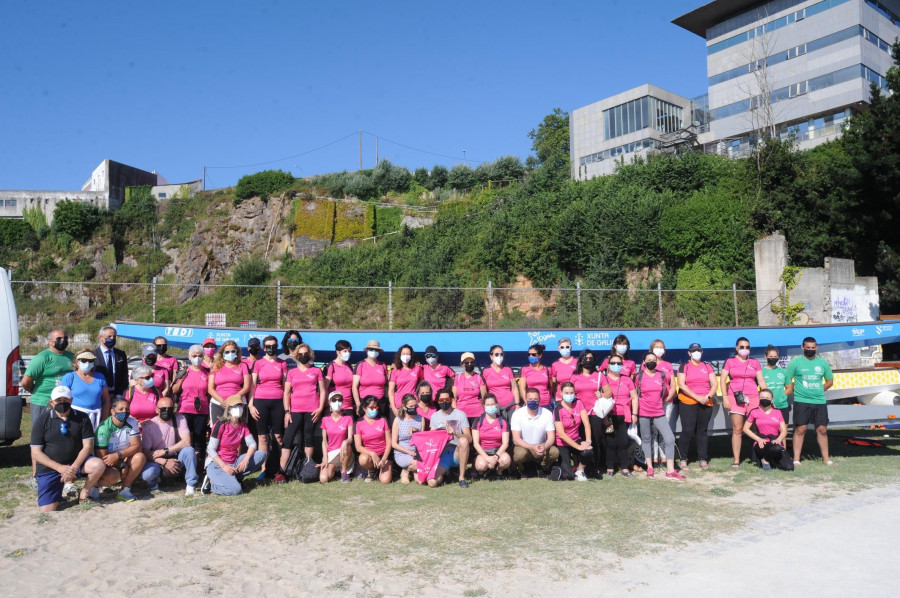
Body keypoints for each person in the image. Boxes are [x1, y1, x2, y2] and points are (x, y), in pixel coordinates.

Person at [30, 386, 106, 511]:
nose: (62, 402)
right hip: (50, 467)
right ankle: (57, 493)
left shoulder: (82, 417)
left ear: (71, 400)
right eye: (58, 400)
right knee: (47, 510)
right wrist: (60, 468)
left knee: (98, 465)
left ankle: (84, 494)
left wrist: (73, 468)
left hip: (75, 463)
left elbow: (88, 447)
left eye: (66, 399)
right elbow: (36, 453)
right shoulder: (42, 420)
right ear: (52, 402)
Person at [22, 328, 73, 486]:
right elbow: (26, 381)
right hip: (43, 402)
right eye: (59, 338)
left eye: (65, 337)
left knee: (62, 435)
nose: (62, 341)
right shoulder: (42, 357)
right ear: (50, 341)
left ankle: (62, 471)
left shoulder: (71, 357)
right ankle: (36, 475)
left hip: (64, 403)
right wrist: (40, 394)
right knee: (39, 438)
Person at [785, 337, 835, 466]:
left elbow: (830, 381)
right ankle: (796, 459)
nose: (810, 350)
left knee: (822, 430)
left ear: (816, 347)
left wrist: (819, 390)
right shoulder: (795, 362)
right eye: (807, 348)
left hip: (819, 401)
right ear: (802, 347)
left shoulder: (823, 363)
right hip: (801, 401)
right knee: (800, 429)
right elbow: (787, 380)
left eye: (813, 348)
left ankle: (826, 459)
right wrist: (793, 389)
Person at [280, 343, 326, 482]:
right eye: (300, 354)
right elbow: (286, 393)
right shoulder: (292, 372)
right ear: (296, 356)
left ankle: (307, 468)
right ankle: (281, 471)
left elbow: (323, 391)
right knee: (287, 439)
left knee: (308, 438)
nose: (303, 356)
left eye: (306, 353)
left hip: (312, 410)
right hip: (295, 410)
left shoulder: (317, 371)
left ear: (310, 354)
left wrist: (320, 408)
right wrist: (287, 412)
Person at [636, 352, 684, 480]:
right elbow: (635, 395)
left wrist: (660, 402)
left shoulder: (661, 375)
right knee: (646, 439)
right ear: (644, 362)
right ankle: (650, 467)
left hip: (659, 412)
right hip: (643, 412)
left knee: (669, 439)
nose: (651, 361)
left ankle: (670, 470)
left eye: (654, 359)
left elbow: (665, 392)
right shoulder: (638, 376)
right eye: (648, 360)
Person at [205, 396, 266, 495]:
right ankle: (212, 483)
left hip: (234, 462)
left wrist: (246, 459)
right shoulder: (221, 424)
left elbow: (252, 444)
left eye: (240, 405)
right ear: (229, 409)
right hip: (217, 464)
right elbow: (211, 449)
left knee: (261, 455)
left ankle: (236, 478)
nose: (239, 408)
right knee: (236, 490)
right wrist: (224, 467)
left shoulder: (243, 426)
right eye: (235, 406)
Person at [721, 337, 767, 467]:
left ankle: (760, 457)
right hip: (735, 398)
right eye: (742, 347)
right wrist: (725, 397)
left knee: (756, 427)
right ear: (736, 348)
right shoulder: (729, 362)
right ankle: (736, 460)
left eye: (747, 347)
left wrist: (767, 397)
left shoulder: (755, 363)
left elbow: (761, 381)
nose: (744, 349)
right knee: (737, 429)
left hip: (753, 397)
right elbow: (723, 380)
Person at [140, 396, 199, 495]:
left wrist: (165, 450)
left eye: (170, 409)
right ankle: (154, 485)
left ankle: (190, 485)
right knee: (148, 474)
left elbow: (187, 441)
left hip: (175, 456)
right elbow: (146, 452)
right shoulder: (149, 425)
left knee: (189, 451)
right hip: (157, 460)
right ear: (157, 410)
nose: (166, 411)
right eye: (163, 409)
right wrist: (164, 462)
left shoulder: (180, 419)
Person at [95, 396, 148, 502]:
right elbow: (102, 457)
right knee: (113, 476)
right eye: (121, 409)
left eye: (127, 409)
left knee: (140, 457)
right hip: (108, 462)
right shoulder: (104, 428)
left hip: (121, 457)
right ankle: (94, 485)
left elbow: (136, 446)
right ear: (112, 411)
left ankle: (125, 490)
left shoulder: (132, 422)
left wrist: (119, 457)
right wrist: (121, 464)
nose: (125, 411)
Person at [248, 335, 287, 479]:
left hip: (278, 403)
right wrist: (251, 406)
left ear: (277, 347)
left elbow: (285, 387)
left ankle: (280, 468)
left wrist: (286, 408)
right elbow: (252, 386)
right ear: (264, 348)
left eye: (273, 345)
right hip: (260, 402)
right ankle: (264, 469)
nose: (271, 348)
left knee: (278, 436)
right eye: (268, 346)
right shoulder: (258, 364)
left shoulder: (282, 363)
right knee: (262, 437)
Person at [677, 343, 717, 471]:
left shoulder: (707, 366)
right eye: (694, 350)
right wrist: (697, 397)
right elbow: (682, 385)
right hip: (688, 402)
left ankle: (703, 459)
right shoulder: (684, 366)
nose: (696, 352)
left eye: (699, 350)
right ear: (689, 353)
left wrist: (708, 396)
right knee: (687, 431)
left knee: (702, 432)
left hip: (706, 402)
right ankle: (683, 459)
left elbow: (714, 384)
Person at [569, 350, 606, 478]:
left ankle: (594, 469)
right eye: (585, 358)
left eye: (591, 358)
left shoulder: (599, 375)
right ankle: (581, 467)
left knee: (594, 441)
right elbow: (569, 392)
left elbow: (609, 393)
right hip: (579, 413)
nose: (588, 360)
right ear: (581, 360)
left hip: (594, 413)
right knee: (580, 440)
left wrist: (601, 394)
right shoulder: (575, 376)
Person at [601, 355, 638, 477]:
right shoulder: (604, 379)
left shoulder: (627, 380)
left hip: (625, 415)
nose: (616, 365)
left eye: (618, 363)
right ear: (608, 365)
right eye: (613, 363)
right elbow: (601, 399)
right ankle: (610, 467)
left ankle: (624, 467)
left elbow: (634, 397)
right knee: (610, 443)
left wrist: (634, 414)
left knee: (623, 442)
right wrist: (604, 416)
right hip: (610, 415)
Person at [172, 345, 210, 460]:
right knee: (185, 439)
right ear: (189, 357)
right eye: (194, 356)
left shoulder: (207, 373)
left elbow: (209, 393)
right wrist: (182, 378)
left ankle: (199, 465)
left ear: (203, 357)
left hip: (202, 410)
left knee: (200, 439)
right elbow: (174, 390)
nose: (197, 358)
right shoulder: (184, 371)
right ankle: (183, 465)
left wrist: (209, 415)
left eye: (199, 356)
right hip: (185, 409)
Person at [510, 388, 560, 475]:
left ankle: (543, 467)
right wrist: (532, 447)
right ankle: (522, 469)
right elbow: (516, 438)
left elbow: (551, 436)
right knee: (519, 455)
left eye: (535, 399)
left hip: (542, 446)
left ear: (539, 399)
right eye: (530, 399)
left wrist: (545, 446)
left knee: (555, 452)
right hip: (524, 447)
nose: (533, 401)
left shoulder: (547, 413)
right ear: (525, 399)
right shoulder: (517, 414)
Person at [429, 388, 472, 487]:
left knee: (463, 440)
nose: (444, 402)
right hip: (443, 454)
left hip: (457, 452)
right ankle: (446, 473)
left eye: (447, 400)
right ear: (438, 401)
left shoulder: (460, 414)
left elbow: (469, 438)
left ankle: (461, 478)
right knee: (432, 483)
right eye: (441, 400)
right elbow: (431, 437)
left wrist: (456, 433)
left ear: (452, 399)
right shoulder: (435, 416)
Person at [61, 347, 110, 429]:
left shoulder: (100, 377)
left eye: (90, 361)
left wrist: (103, 419)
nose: (87, 363)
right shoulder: (70, 377)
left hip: (95, 418)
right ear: (77, 362)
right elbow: (62, 399)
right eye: (84, 360)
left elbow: (106, 399)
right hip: (75, 418)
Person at [743, 389, 790, 471]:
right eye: (762, 397)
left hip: (775, 441)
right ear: (759, 398)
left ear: (772, 399)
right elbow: (745, 429)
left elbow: (784, 430)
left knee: (789, 467)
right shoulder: (754, 412)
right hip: (762, 442)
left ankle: (771, 460)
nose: (765, 399)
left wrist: (779, 439)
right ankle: (765, 460)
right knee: (776, 448)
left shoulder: (777, 412)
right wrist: (758, 439)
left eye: (767, 398)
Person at [554, 384, 592, 481]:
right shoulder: (557, 409)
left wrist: (588, 441)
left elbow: (586, 423)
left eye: (571, 393)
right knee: (569, 476)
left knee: (588, 451)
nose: (569, 395)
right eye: (566, 393)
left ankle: (580, 470)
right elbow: (561, 434)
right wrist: (578, 447)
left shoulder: (579, 403)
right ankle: (563, 467)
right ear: (561, 393)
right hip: (563, 443)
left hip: (576, 438)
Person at [208, 340, 251, 423]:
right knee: (218, 432)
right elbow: (210, 388)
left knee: (238, 431)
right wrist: (222, 401)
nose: (230, 353)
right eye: (227, 352)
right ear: (222, 353)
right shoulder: (215, 367)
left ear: (237, 352)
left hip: (238, 403)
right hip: (218, 404)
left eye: (233, 351)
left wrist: (233, 399)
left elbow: (247, 387)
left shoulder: (243, 365)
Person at [473, 393, 511, 480]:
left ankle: (499, 472)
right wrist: (487, 458)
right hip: (483, 451)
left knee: (506, 460)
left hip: (498, 451)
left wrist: (496, 456)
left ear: (496, 404)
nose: (490, 407)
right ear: (484, 406)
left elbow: (505, 443)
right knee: (480, 465)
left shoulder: (503, 421)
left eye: (492, 404)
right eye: (488, 405)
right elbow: (475, 443)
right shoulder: (478, 421)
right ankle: (481, 473)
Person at [354, 396, 392, 484]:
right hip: (370, 455)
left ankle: (386, 469)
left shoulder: (383, 420)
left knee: (385, 480)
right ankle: (371, 471)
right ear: (364, 408)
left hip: (384, 454)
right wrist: (372, 453)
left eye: (376, 406)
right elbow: (358, 447)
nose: (374, 409)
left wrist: (384, 459)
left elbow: (389, 441)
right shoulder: (359, 423)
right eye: (371, 407)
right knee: (363, 459)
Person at [320, 392, 355, 483]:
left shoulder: (348, 418)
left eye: (340, 400)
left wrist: (345, 441)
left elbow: (350, 438)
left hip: (345, 452)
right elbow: (324, 441)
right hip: (331, 453)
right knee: (324, 478)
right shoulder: (325, 420)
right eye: (334, 400)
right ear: (329, 402)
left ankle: (343, 472)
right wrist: (325, 457)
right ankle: (335, 470)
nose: (337, 402)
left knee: (347, 445)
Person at [392, 394, 424, 483]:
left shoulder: (420, 419)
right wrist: (409, 452)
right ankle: (405, 470)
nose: (413, 408)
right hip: (402, 452)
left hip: (417, 452)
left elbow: (422, 440)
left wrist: (416, 432)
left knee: (420, 481)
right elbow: (394, 444)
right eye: (411, 406)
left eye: (415, 406)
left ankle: (409, 470)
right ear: (404, 407)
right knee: (418, 465)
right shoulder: (398, 420)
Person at [482, 345, 519, 420]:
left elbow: (514, 388)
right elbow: (484, 392)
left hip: (511, 406)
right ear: (491, 356)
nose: (499, 356)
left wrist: (517, 404)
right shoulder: (486, 371)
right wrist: (486, 406)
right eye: (496, 354)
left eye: (501, 354)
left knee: (512, 429)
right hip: (494, 408)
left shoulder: (508, 369)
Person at [353, 340, 389, 418]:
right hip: (365, 403)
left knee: (380, 425)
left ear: (379, 351)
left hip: (380, 403)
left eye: (376, 350)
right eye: (371, 349)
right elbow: (354, 386)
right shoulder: (360, 365)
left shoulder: (383, 365)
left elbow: (387, 385)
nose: (373, 351)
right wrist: (358, 404)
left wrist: (386, 400)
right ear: (366, 350)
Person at [94, 325, 129, 399]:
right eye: (109, 336)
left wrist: (119, 394)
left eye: (114, 336)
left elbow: (124, 376)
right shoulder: (93, 355)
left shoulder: (121, 354)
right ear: (100, 338)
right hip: (100, 395)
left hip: (117, 395)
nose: (112, 339)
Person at [388, 344, 423, 418]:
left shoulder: (417, 368)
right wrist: (393, 407)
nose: (406, 356)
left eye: (408, 354)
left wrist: (419, 401)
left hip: (413, 405)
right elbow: (390, 391)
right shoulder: (395, 370)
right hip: (398, 406)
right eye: (403, 354)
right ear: (399, 355)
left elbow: (422, 384)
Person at [324, 340, 356, 416]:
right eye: (345, 351)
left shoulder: (349, 366)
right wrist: (326, 405)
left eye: (349, 351)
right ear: (338, 352)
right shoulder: (331, 366)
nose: (347, 353)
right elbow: (324, 388)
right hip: (334, 406)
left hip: (348, 406)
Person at [452, 352, 486, 424]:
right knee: (461, 435)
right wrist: (455, 412)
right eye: (466, 362)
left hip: (477, 414)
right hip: (461, 414)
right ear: (462, 364)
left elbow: (484, 397)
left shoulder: (479, 378)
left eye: (472, 362)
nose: (469, 364)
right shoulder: (457, 378)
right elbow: (453, 398)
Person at [762, 345, 790, 424]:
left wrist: (782, 396)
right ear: (765, 356)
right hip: (766, 407)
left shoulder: (783, 371)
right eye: (771, 356)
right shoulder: (760, 372)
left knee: (783, 431)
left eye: (775, 356)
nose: (773, 358)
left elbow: (789, 388)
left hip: (782, 406)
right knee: (768, 432)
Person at [519, 344, 552, 410]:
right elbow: (522, 388)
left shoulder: (547, 369)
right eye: (529, 354)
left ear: (540, 355)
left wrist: (548, 398)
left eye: (533, 354)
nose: (530, 356)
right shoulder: (525, 369)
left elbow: (551, 387)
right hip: (531, 404)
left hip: (546, 404)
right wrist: (527, 402)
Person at [550, 337, 577, 404]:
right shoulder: (555, 364)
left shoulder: (578, 362)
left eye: (567, 347)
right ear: (558, 349)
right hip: (560, 398)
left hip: (576, 396)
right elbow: (553, 384)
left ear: (571, 348)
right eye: (562, 347)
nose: (565, 349)